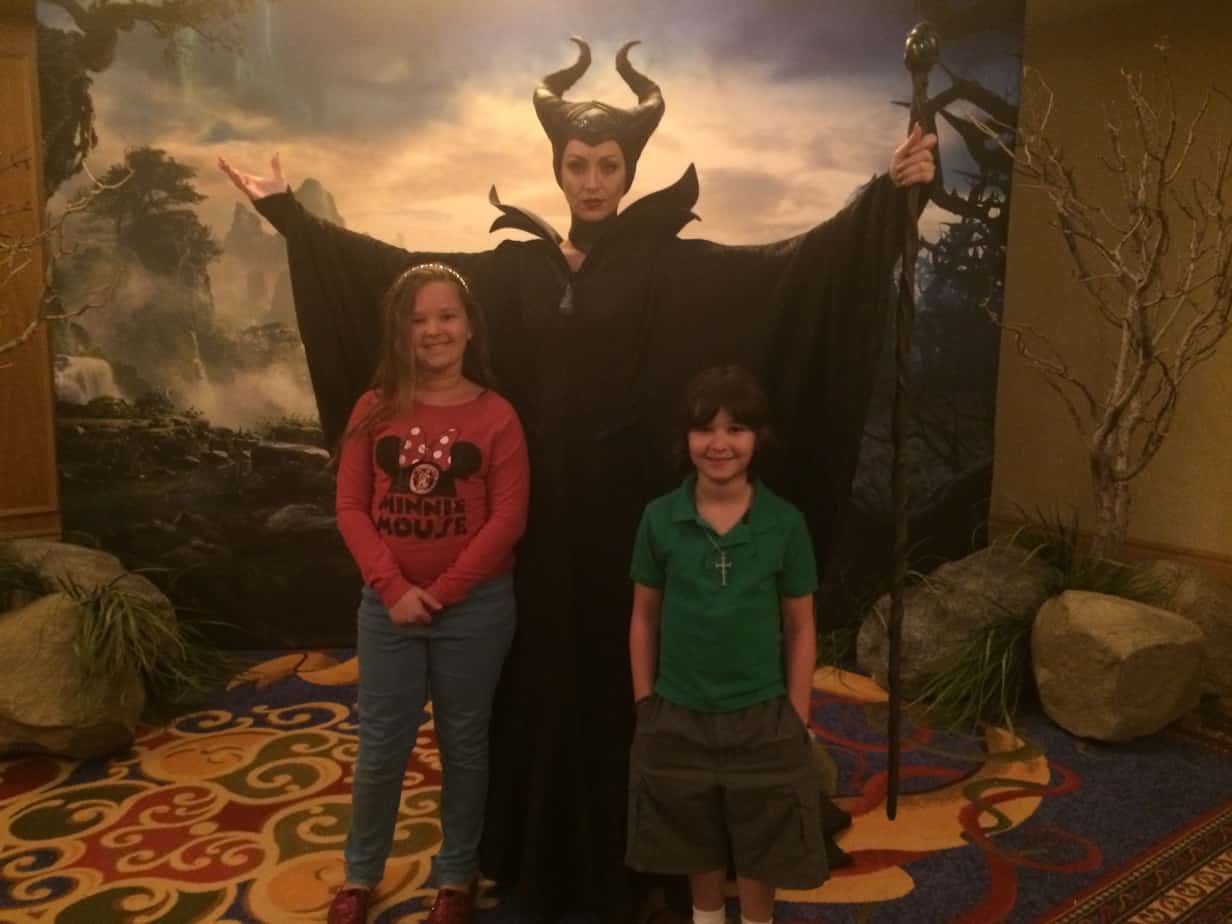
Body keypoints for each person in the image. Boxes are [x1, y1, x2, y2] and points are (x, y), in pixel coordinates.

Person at [219, 37, 936, 922]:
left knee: (636, 674)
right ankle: (529, 847)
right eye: (577, 164)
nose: (592, 181)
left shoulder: (673, 263)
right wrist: (290, 217)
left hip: (632, 523)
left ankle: (654, 849)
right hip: (532, 525)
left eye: (608, 165)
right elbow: (394, 277)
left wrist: (886, 201)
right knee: (531, 683)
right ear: (557, 167)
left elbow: (791, 273)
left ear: (629, 170)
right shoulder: (513, 266)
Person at [327, 263, 529, 924]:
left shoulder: (497, 416)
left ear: (470, 327)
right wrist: (392, 589)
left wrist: (440, 592)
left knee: (464, 745)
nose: (433, 330)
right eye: (418, 319)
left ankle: (456, 876)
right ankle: (360, 875)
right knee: (381, 747)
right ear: (400, 331)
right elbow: (351, 507)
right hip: (388, 610)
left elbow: (508, 520)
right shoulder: (374, 408)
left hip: (475, 610)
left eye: (446, 316)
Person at [627, 366, 822, 924]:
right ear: (684, 438)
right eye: (704, 429)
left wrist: (797, 714)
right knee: (693, 832)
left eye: (736, 429)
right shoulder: (659, 519)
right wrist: (646, 703)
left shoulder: (785, 523)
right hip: (677, 711)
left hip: (763, 714)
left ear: (759, 438)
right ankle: (706, 916)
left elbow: (801, 627)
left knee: (765, 835)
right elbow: (643, 618)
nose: (719, 444)